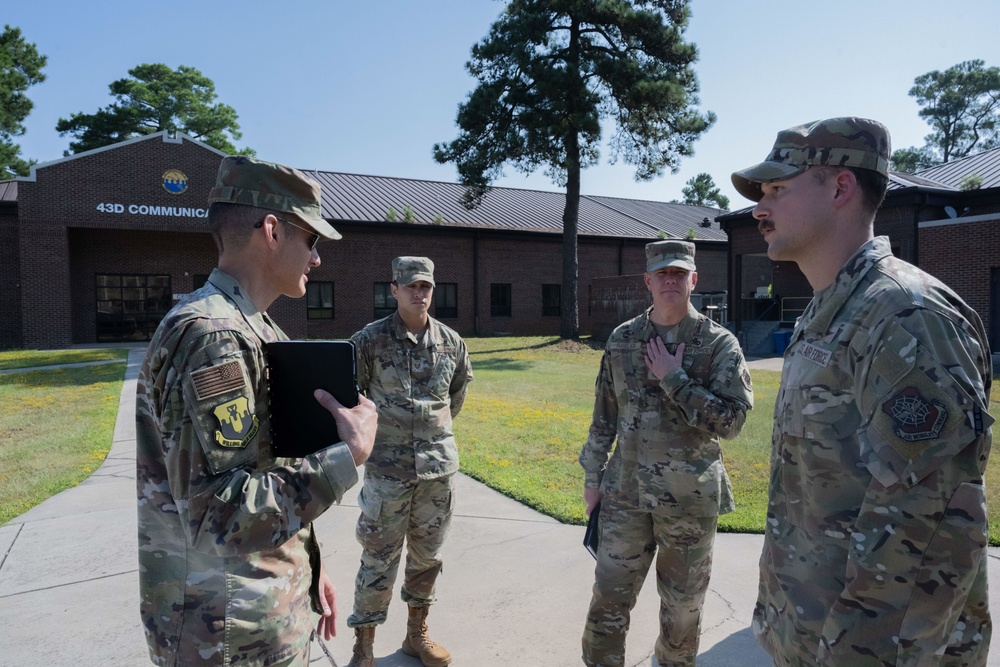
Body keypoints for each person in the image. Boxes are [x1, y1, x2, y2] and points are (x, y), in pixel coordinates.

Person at [732, 117, 994, 665]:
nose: (759, 208)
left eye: (777, 189)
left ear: (841, 187)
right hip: (808, 633)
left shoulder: (907, 317)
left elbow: (929, 532)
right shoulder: (828, 311)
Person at [135, 156, 378, 666]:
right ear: (271, 229)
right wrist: (346, 456)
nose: (317, 259)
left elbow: (268, 470)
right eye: (311, 241)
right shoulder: (213, 336)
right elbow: (215, 513)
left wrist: (310, 569)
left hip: (260, 615)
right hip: (224, 632)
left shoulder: (257, 330)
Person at [579, 240, 754, 667]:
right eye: (662, 274)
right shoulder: (622, 340)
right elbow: (604, 415)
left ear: (694, 280)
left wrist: (674, 379)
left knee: (682, 610)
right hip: (625, 494)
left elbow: (732, 424)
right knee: (608, 600)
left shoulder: (718, 344)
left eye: (679, 273)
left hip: (688, 502)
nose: (670, 280)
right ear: (648, 281)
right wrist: (591, 477)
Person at [345, 256, 473, 667]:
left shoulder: (452, 343)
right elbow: (353, 400)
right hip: (387, 473)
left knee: (427, 559)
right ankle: (363, 645)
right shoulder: (368, 341)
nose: (420, 293)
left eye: (427, 287)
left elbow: (454, 399)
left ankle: (416, 633)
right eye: (412, 286)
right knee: (378, 559)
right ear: (394, 289)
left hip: (437, 472)